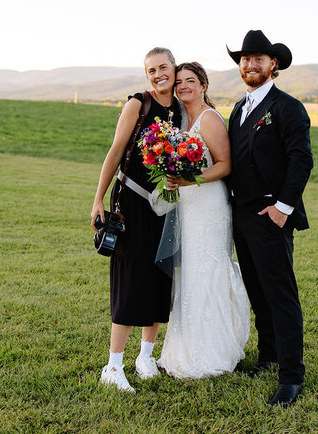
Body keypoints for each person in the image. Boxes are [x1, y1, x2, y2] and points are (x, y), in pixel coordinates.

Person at [225, 30, 313, 406]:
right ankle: (269, 356)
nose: (250, 65)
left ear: (272, 64)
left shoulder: (287, 108)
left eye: (258, 59)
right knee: (258, 292)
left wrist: (283, 208)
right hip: (241, 216)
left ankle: (291, 376)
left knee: (281, 295)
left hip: (271, 214)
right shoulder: (238, 107)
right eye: (245, 59)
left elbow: (301, 160)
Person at [90, 47, 182, 393]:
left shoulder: (180, 110)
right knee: (131, 279)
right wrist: (98, 198)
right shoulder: (137, 104)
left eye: (163, 68)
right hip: (131, 202)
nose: (158, 75)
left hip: (166, 206)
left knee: (160, 278)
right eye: (151, 70)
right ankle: (113, 365)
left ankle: (145, 356)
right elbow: (115, 151)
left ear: (174, 68)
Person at [157, 62, 250, 379]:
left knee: (207, 270)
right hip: (189, 206)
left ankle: (214, 349)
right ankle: (185, 349)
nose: (183, 86)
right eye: (179, 81)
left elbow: (224, 166)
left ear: (204, 85)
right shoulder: (182, 121)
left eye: (190, 81)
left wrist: (189, 180)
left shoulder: (209, 119)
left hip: (209, 207)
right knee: (191, 273)